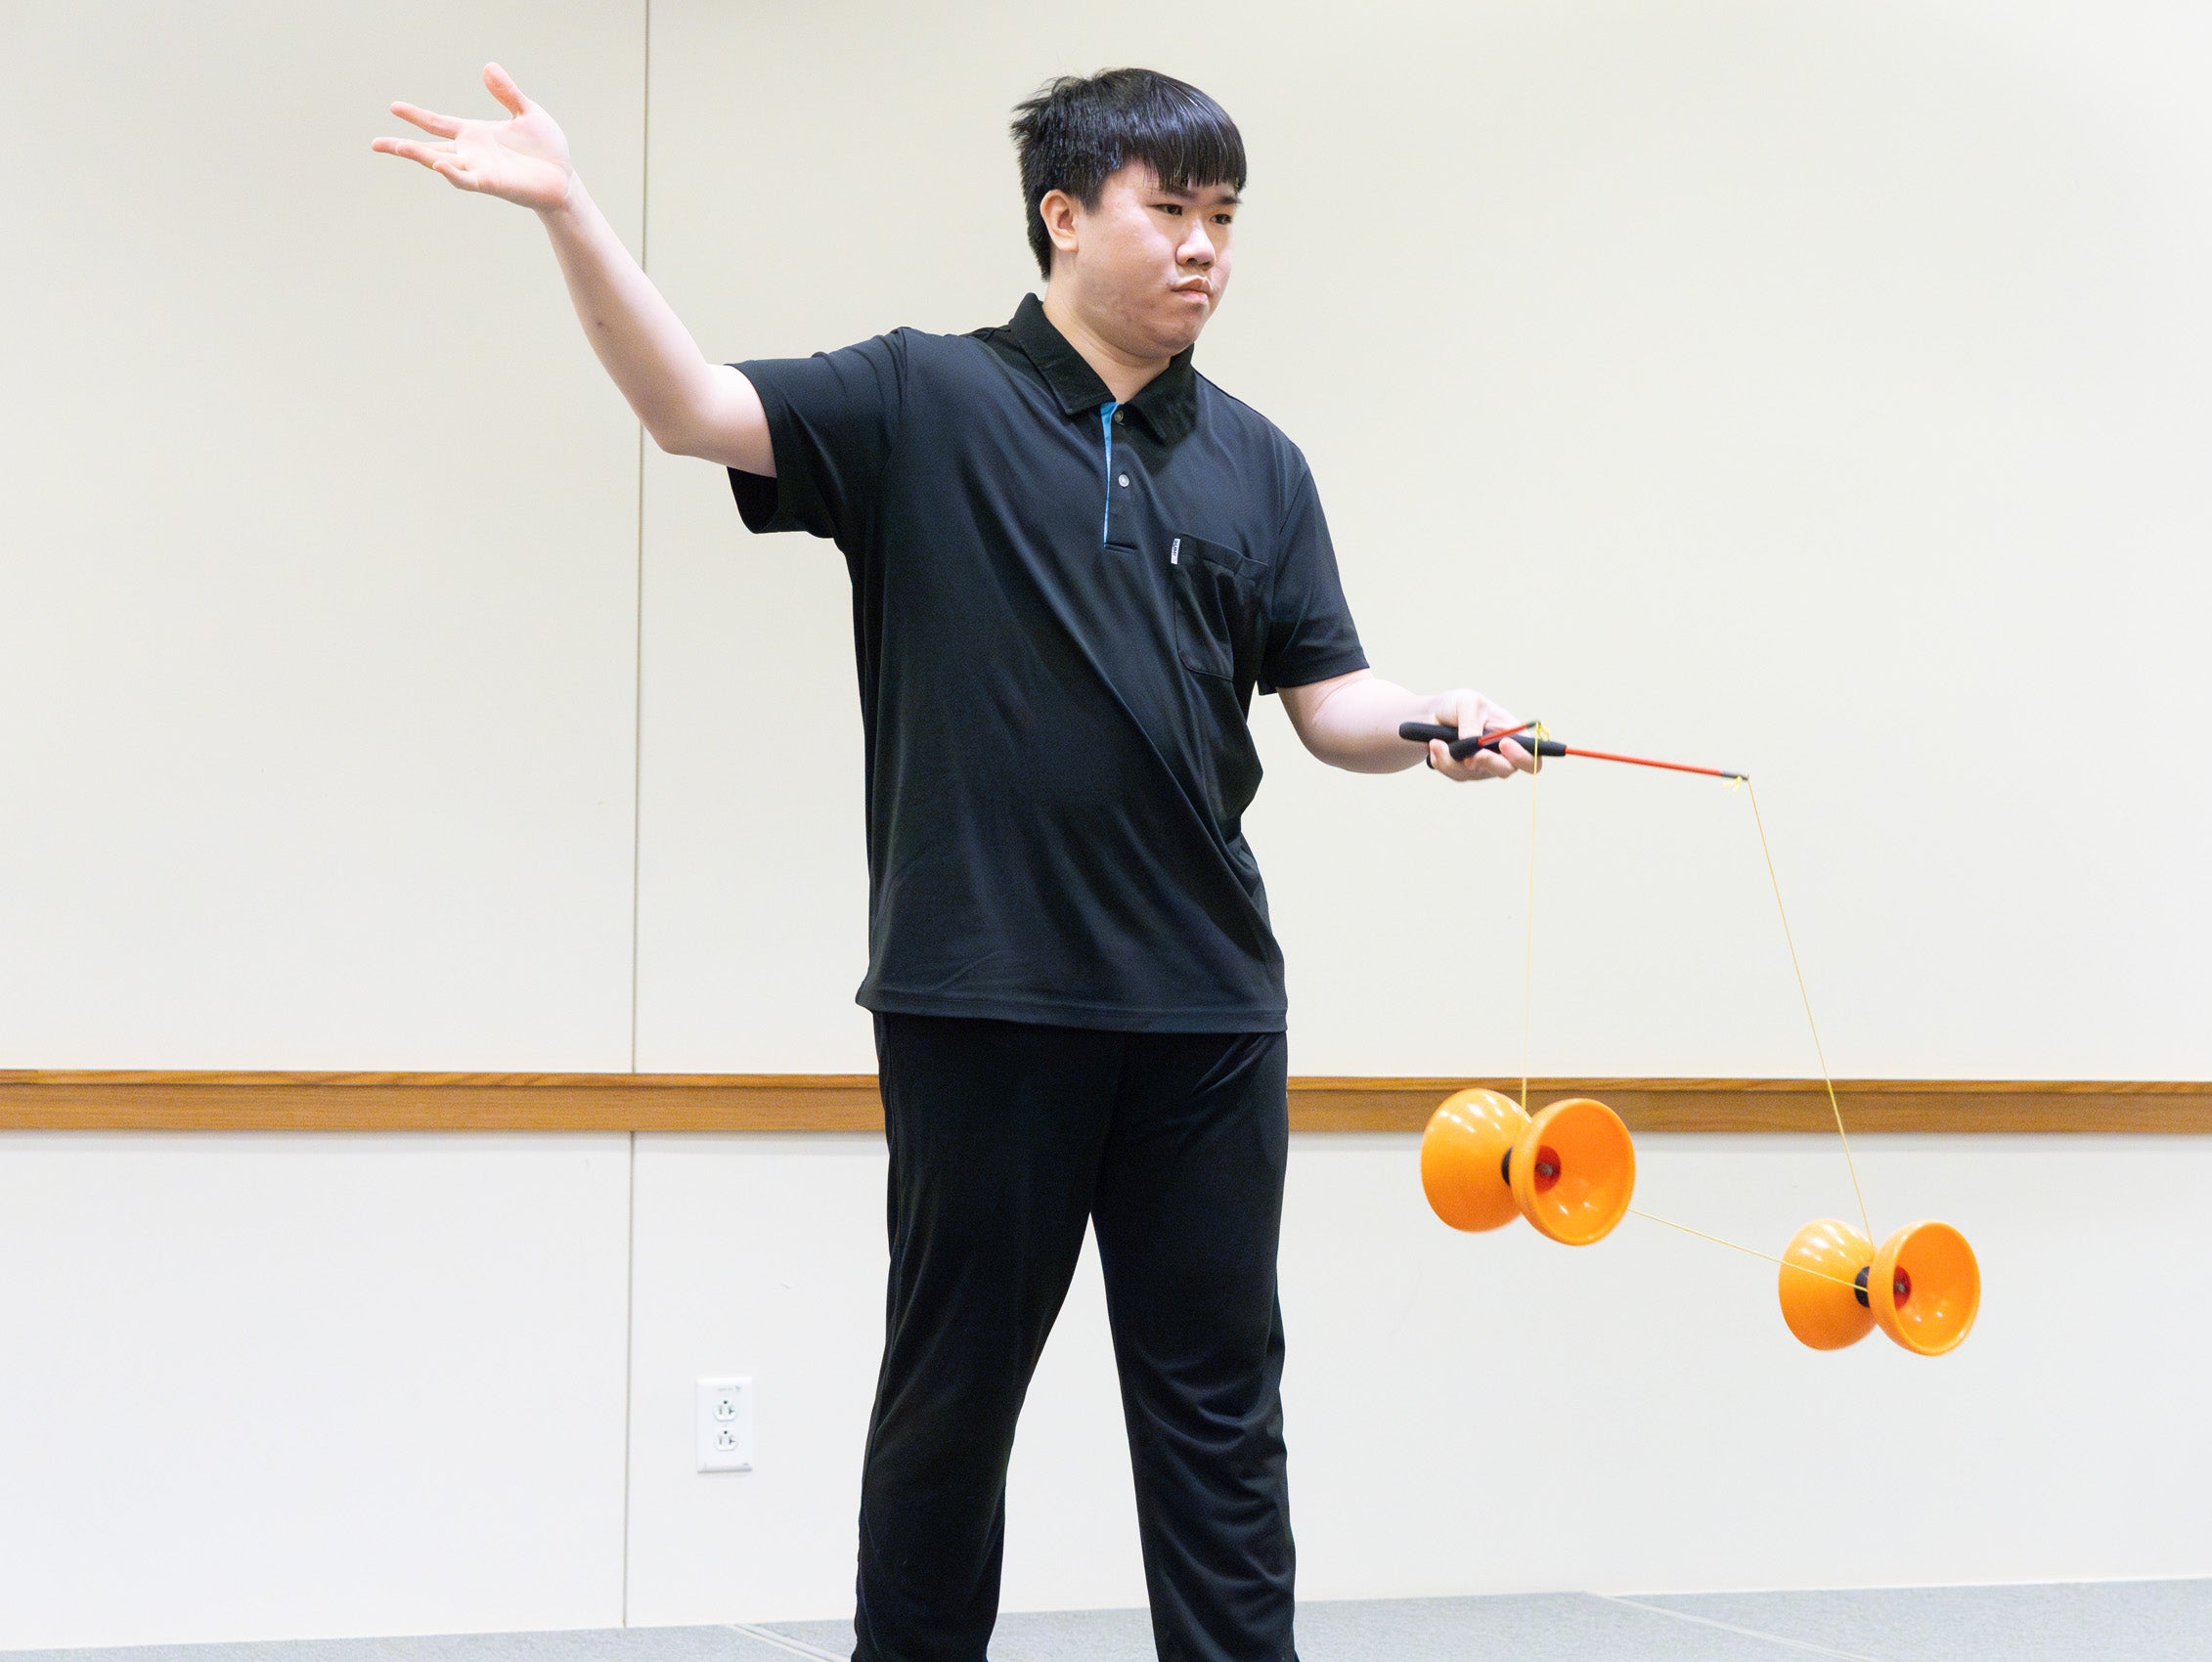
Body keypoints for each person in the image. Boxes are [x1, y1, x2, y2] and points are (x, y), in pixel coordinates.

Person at [376, 62, 1535, 1662]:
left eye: (1224, 220)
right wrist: (572, 206)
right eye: (1169, 210)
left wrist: (1430, 721)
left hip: (1206, 1014)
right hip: (982, 998)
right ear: (1062, 216)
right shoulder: (922, 398)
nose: (1204, 248)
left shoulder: (1257, 462)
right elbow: (687, 406)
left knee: (1218, 1416)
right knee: (950, 1410)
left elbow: (1326, 699)